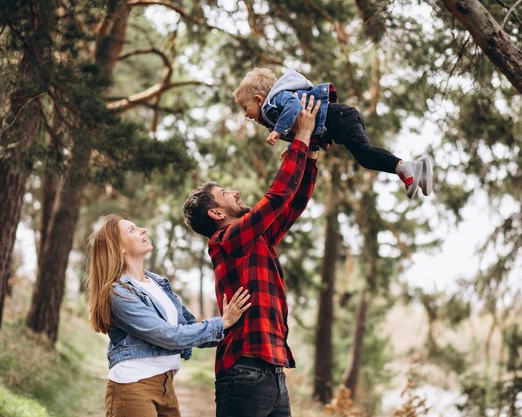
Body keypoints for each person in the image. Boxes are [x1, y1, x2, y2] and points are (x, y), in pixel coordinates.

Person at [182, 94, 320, 417]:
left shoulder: (253, 239)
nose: (235, 192)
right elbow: (275, 198)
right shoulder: (226, 241)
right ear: (216, 212)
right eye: (225, 193)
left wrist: (311, 152)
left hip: (274, 373)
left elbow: (290, 206)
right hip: (243, 372)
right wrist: (298, 138)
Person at [87, 214, 251, 417]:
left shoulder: (158, 284)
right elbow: (168, 335)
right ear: (119, 247)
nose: (143, 230)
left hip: (166, 386)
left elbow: (189, 327)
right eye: (132, 230)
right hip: (132, 388)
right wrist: (222, 323)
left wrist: (234, 328)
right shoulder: (118, 293)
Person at [233, 67, 433, 199]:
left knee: (364, 152)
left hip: (340, 118)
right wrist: (293, 147)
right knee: (363, 156)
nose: (246, 115)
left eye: (245, 107)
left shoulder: (275, 102)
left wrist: (278, 131)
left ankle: (405, 168)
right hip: (340, 120)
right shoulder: (275, 114)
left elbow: (294, 106)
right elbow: (306, 129)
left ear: (259, 99)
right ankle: (417, 170)